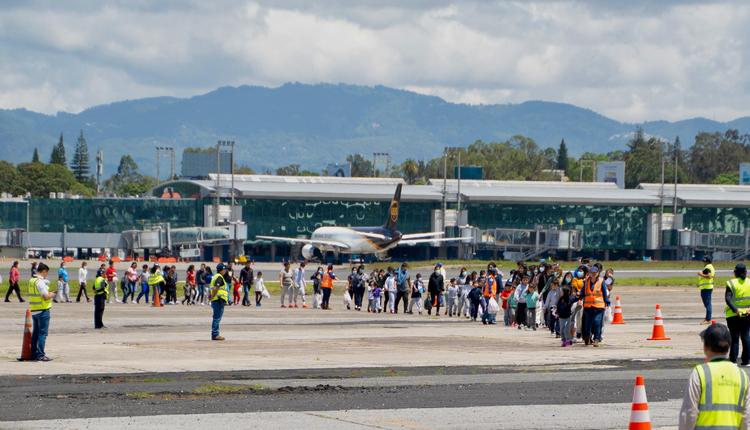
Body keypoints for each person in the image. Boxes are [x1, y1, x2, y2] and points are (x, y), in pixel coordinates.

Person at [678, 323, 750, 430]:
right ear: (729, 346)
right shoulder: (742, 376)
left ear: (705, 347)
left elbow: (689, 413)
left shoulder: (700, 373)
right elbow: (746, 418)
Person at [27, 263, 55, 361]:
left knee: (36, 333)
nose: (46, 275)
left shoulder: (31, 280)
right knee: (43, 334)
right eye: (46, 273)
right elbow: (45, 296)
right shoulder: (40, 282)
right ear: (44, 271)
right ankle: (41, 354)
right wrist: (52, 294)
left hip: (34, 310)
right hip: (43, 310)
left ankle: (33, 353)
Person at [725, 263, 750, 366]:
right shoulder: (749, 282)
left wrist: (735, 310)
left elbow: (728, 298)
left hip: (733, 315)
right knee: (746, 337)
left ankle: (733, 361)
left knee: (734, 337)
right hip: (748, 313)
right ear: (745, 272)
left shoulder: (731, 283)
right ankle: (746, 361)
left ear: (735, 273)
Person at [580, 265, 610, 347]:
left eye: (595, 272)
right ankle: (587, 337)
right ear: (589, 273)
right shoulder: (586, 281)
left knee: (597, 322)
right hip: (588, 306)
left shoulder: (601, 281)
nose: (593, 274)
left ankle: (596, 339)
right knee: (587, 324)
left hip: (599, 306)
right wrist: (579, 296)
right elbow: (583, 292)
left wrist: (607, 300)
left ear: (598, 273)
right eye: (591, 272)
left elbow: (604, 292)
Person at [209, 263, 229, 341]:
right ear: (222, 270)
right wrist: (213, 296)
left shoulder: (214, 276)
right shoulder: (219, 277)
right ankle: (215, 334)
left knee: (216, 317)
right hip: (218, 299)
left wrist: (211, 296)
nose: (226, 271)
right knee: (217, 318)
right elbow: (216, 288)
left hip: (215, 300)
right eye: (225, 269)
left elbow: (212, 287)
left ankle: (215, 334)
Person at [698, 255, 716, 325]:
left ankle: (708, 319)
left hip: (706, 288)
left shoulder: (708, 267)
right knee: (707, 304)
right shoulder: (711, 267)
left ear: (707, 261)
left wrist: (700, 274)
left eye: (704, 261)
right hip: (707, 287)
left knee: (708, 304)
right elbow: (713, 276)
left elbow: (709, 276)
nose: (703, 262)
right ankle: (707, 318)